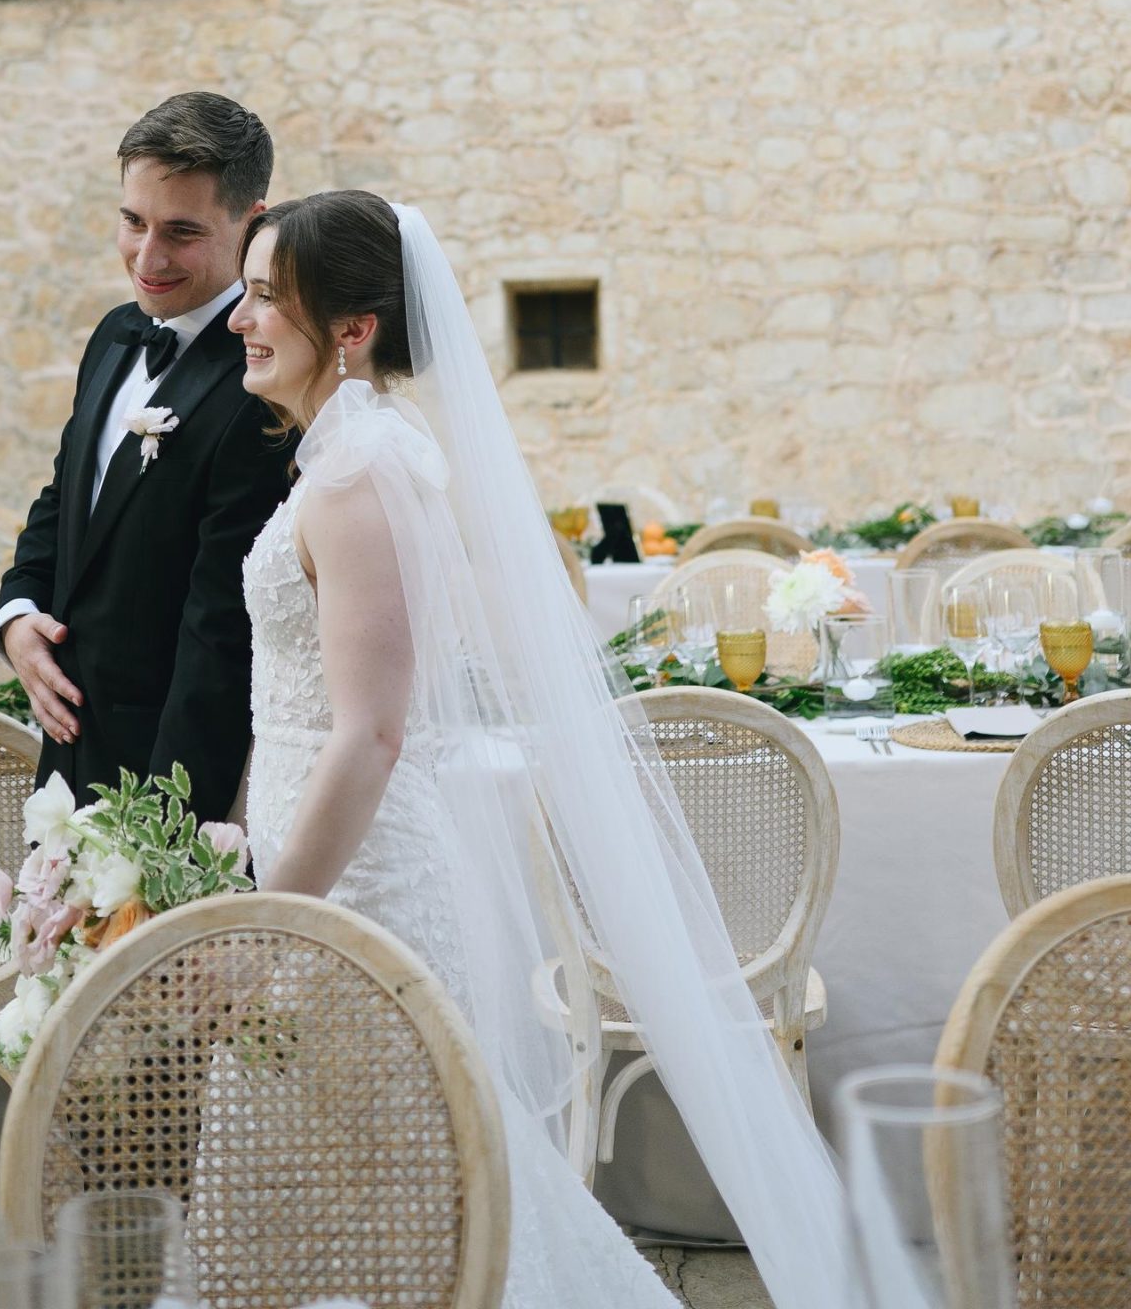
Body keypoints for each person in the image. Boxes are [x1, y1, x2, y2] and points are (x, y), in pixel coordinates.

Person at [231, 192, 852, 1309]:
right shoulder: (347, 458)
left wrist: (268, 916)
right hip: (314, 876)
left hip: (352, 891)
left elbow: (368, 735)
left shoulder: (360, 472)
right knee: (342, 1195)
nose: (241, 315)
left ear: (355, 327)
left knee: (408, 1195)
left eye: (268, 293)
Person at [0, 93, 293, 816]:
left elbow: (219, 629)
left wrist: (161, 834)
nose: (147, 257)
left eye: (181, 233)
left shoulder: (266, 379)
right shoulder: (113, 333)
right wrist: (17, 616)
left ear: (251, 221)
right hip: (68, 760)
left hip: (170, 775)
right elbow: (67, 497)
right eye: (132, 222)